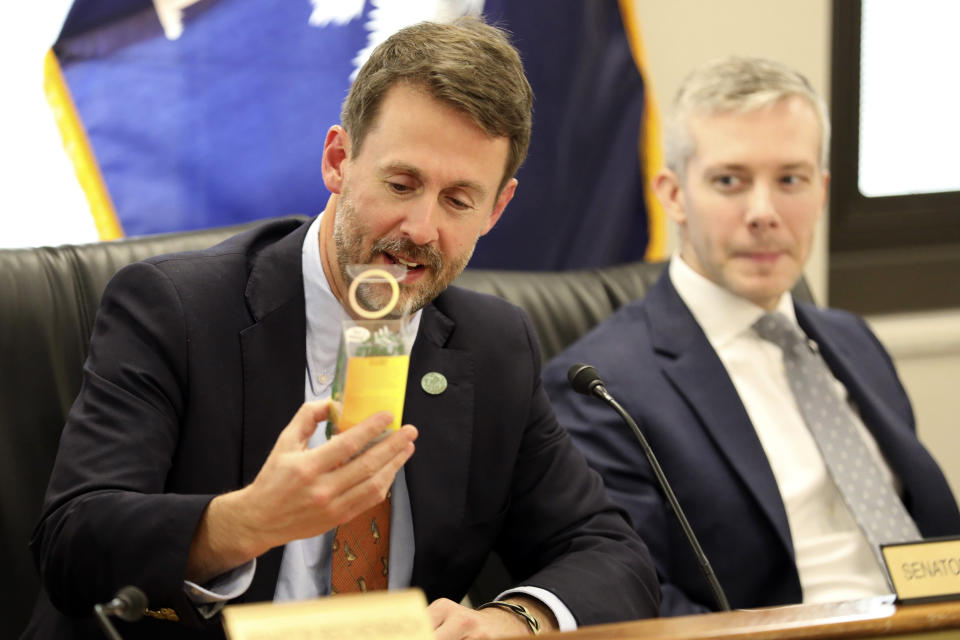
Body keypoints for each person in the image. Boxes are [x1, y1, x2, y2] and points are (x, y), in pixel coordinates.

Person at [25, 18, 660, 639]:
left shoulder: (493, 347)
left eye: (458, 201)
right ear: (338, 161)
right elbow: (72, 543)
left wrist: (511, 619)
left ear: (496, 209)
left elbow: (610, 554)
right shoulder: (174, 309)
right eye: (401, 183)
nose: (420, 228)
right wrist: (240, 523)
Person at [543, 56, 960, 617]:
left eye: (791, 180)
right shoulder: (602, 388)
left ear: (821, 191)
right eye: (729, 181)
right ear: (673, 195)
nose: (763, 213)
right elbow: (637, 599)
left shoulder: (852, 339)